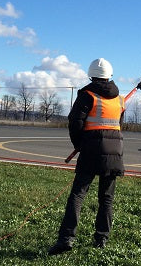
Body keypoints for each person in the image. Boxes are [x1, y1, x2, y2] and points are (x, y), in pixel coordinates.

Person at [48, 58, 126, 255]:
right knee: (106, 198)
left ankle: (66, 238)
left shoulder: (87, 95)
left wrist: (79, 144)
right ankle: (101, 239)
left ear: (91, 75)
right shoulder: (119, 98)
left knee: (78, 194)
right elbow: (117, 123)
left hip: (92, 148)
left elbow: (75, 121)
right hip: (115, 150)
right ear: (110, 75)